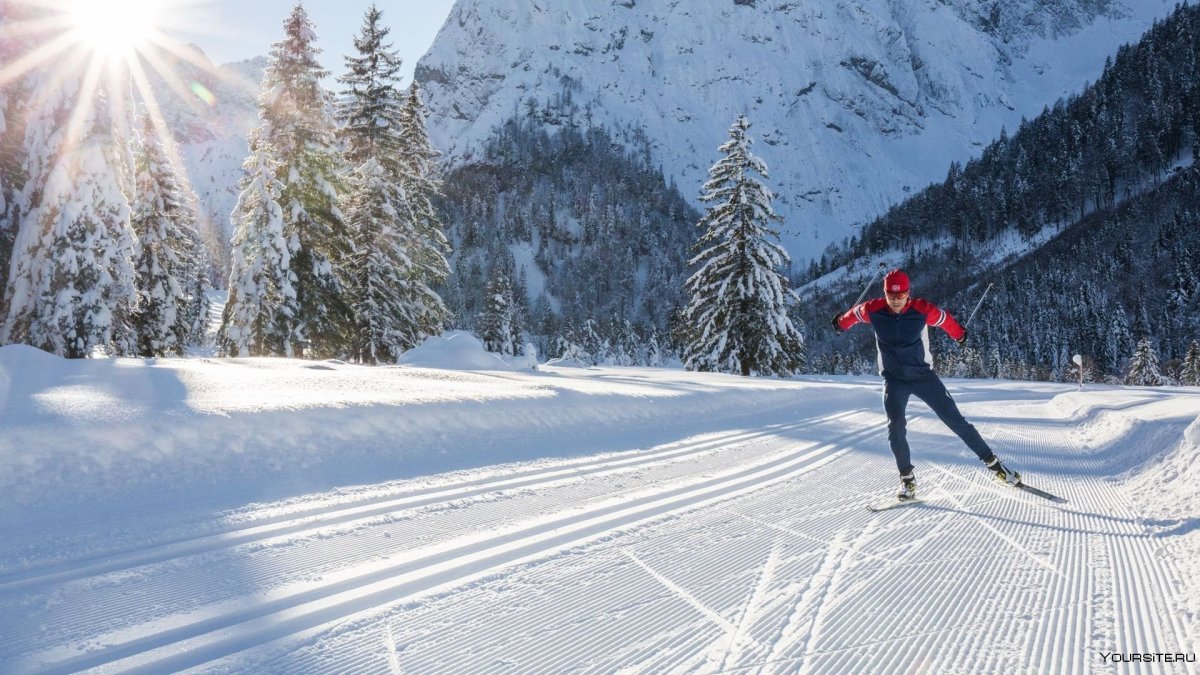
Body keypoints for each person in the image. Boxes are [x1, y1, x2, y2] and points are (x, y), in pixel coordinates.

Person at [832, 269, 1020, 500]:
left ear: (908, 294)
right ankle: (907, 481)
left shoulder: (922, 310)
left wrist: (960, 335)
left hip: (923, 377)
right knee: (896, 427)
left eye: (900, 296)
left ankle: (995, 466)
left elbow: (946, 321)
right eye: (891, 296)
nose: (896, 300)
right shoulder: (873, 309)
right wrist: (841, 323)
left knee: (956, 421)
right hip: (894, 379)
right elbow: (853, 315)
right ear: (885, 294)